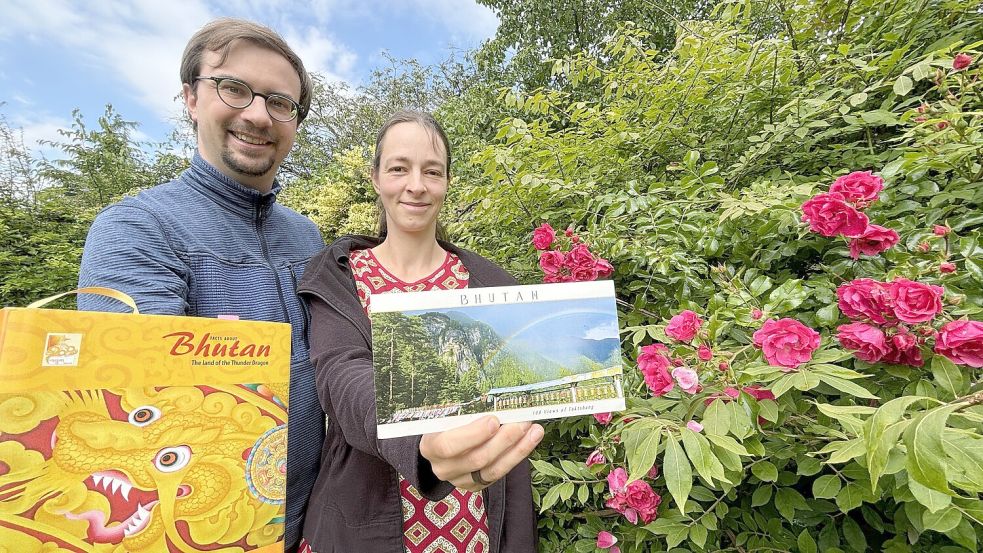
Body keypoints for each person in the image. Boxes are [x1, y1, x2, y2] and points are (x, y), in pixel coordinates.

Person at [77, 18, 323, 551]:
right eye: (234, 88)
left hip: (315, 523)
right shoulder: (137, 228)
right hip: (205, 529)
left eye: (281, 103)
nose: (259, 114)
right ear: (190, 97)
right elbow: (150, 415)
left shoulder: (307, 237)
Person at [297, 111, 543, 552]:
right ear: (375, 178)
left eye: (432, 171)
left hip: (474, 519)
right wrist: (420, 439)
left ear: (447, 182)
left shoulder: (490, 285)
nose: (416, 185)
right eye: (399, 168)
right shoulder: (338, 276)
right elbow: (342, 374)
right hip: (364, 516)